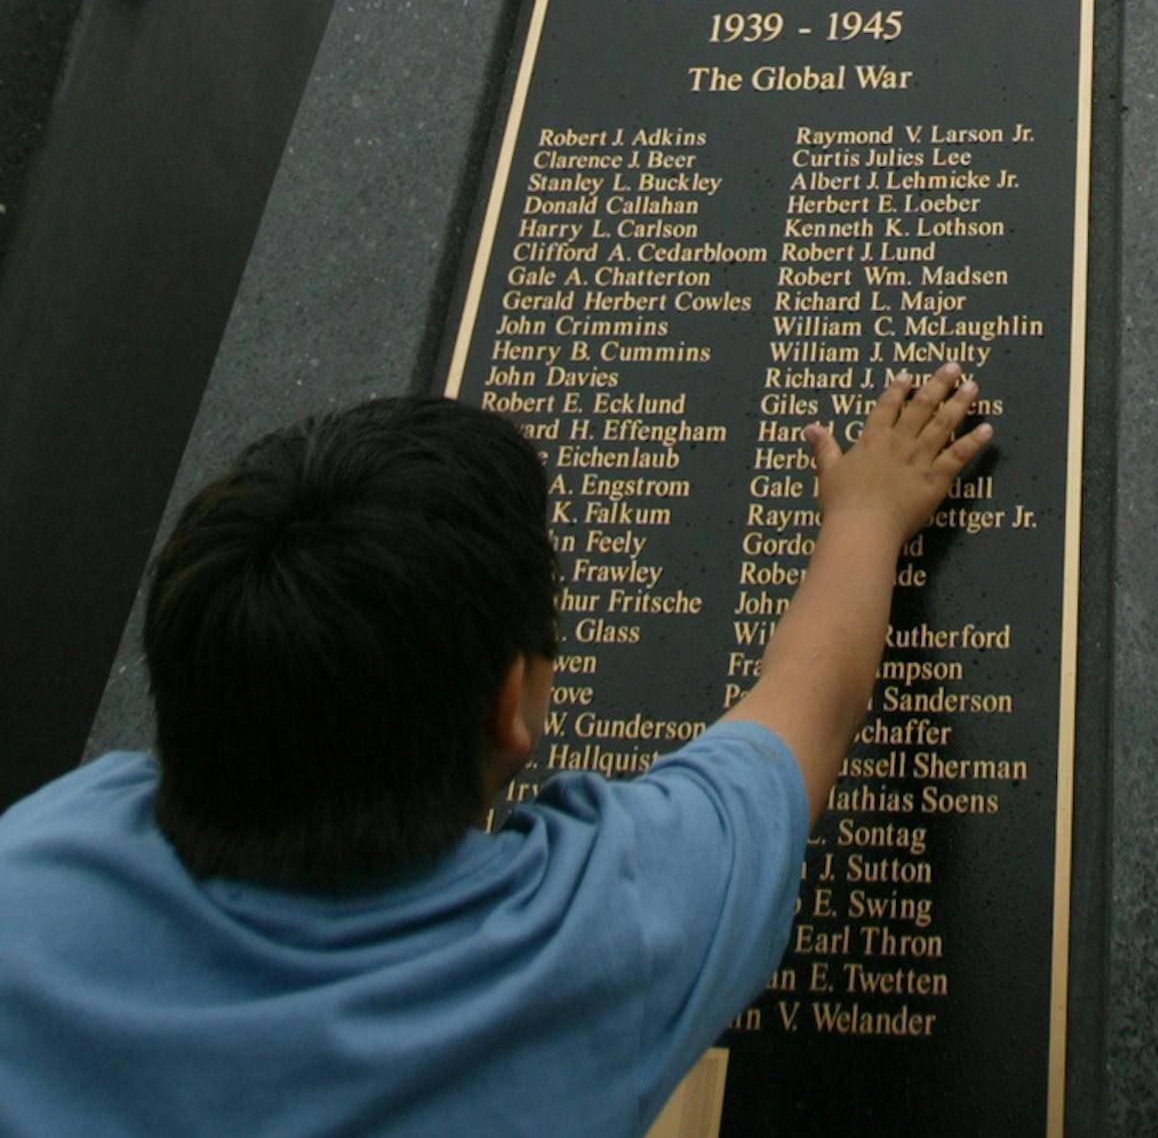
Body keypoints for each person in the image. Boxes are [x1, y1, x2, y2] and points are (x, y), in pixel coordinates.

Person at [0, 362, 990, 1136]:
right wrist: (867, 514)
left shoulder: (37, 859)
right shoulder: (591, 939)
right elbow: (808, 706)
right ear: (506, 707)